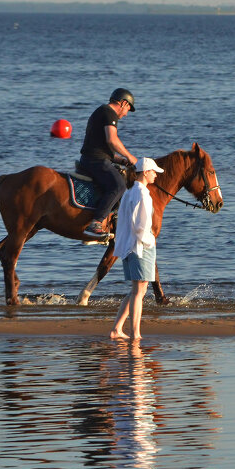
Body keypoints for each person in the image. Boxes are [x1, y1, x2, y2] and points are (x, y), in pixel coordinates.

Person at [110, 157, 163, 340]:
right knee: (139, 291)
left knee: (136, 290)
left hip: (129, 246)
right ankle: (135, 334)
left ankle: (117, 329)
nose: (156, 175)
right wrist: (149, 241)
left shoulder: (130, 191)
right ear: (146, 172)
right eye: (154, 172)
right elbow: (140, 226)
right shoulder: (142, 193)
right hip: (139, 246)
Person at [80, 88, 139, 236]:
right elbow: (111, 140)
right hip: (95, 161)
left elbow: (102, 147)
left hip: (94, 158)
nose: (126, 114)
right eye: (128, 109)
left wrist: (122, 161)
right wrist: (130, 156)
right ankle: (96, 222)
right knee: (119, 185)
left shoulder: (101, 112)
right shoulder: (108, 113)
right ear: (123, 103)